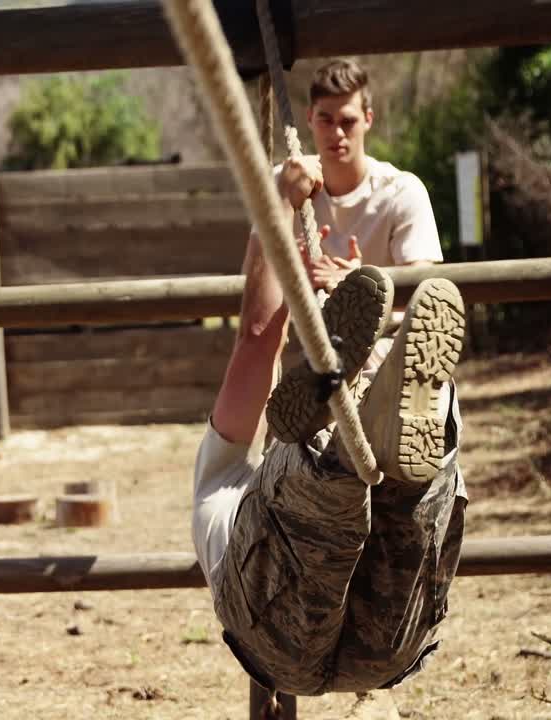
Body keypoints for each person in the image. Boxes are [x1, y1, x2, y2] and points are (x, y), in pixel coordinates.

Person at [192, 58, 468, 697]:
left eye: (349, 120)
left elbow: (257, 341)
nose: (337, 132)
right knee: (407, 510)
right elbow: (259, 348)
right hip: (393, 645)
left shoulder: (220, 477)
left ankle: (343, 437)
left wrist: (274, 210)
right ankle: (376, 433)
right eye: (326, 119)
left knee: (324, 508)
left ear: (367, 119)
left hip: (276, 635)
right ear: (314, 120)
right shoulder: (222, 469)